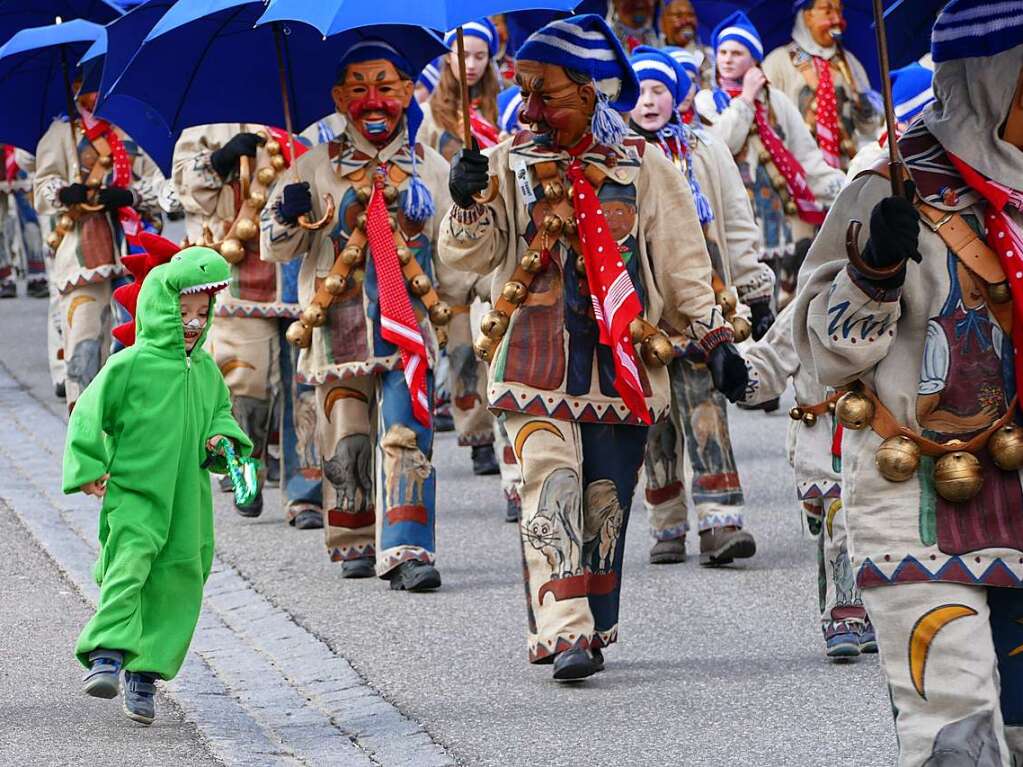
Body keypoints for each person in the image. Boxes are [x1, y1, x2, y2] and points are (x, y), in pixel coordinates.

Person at [440, 14, 749, 680]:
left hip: (622, 363)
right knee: (547, 483)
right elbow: (463, 261)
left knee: (604, 501)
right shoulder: (502, 161)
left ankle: (592, 619)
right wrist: (465, 202)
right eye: (522, 90)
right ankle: (563, 631)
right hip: (529, 358)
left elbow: (680, 259)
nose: (527, 107)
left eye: (543, 92)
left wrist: (712, 336)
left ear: (587, 91)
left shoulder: (643, 165)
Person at [792, 4, 1023, 760]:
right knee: (954, 728)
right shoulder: (887, 183)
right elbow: (822, 353)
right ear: (991, 79)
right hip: (918, 493)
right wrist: (872, 270)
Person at [260, 39, 455, 590]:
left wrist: (466, 202)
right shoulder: (311, 166)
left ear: (408, 93)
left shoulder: (429, 166)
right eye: (360, 89)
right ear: (340, 98)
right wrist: (289, 218)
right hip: (336, 324)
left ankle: (408, 547)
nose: (374, 102)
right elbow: (274, 248)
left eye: (387, 88)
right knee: (346, 434)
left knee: (406, 432)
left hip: (409, 322)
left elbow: (458, 252)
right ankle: (353, 537)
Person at [63, 245, 251, 725]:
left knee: (178, 580)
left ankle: (143, 675)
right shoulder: (131, 365)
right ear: (159, 308)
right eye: (182, 311)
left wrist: (222, 442)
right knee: (129, 564)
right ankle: (107, 651)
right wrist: (89, 466)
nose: (191, 321)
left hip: (188, 499)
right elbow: (89, 412)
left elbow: (221, 417)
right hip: (135, 490)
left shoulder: (207, 372)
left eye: (200, 312)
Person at [628, 46, 774, 566]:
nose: (648, 102)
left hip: (703, 304)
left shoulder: (705, 149)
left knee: (707, 410)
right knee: (655, 421)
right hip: (645, 313)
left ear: (679, 96)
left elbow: (735, 220)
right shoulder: (618, 155)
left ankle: (721, 521)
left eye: (659, 91)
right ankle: (666, 522)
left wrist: (754, 287)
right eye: (640, 91)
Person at [174, 125, 324, 527]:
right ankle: (246, 468)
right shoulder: (206, 122)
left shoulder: (307, 111)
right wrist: (219, 161)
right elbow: (182, 187)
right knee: (246, 383)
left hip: (303, 271)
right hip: (239, 274)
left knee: (306, 385)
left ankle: (307, 492)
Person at [740, 302, 876, 658]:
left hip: (880, 432)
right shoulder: (810, 301)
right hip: (824, 434)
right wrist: (737, 373)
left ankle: (867, 609)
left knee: (870, 521)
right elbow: (772, 355)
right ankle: (843, 612)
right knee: (837, 521)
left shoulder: (894, 293)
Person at [695, 10, 845, 306]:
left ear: (753, 60)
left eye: (737, 53)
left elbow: (805, 155)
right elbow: (721, 144)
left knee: (779, 298)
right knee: (739, 300)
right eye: (722, 52)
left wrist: (845, 187)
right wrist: (746, 101)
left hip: (776, 218)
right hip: (733, 215)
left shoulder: (776, 100)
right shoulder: (708, 100)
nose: (726, 59)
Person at [34, 83, 164, 410]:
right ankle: (84, 439)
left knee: (135, 350)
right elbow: (43, 186)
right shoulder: (61, 132)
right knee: (84, 347)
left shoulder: (131, 129)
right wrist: (65, 193)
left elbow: (161, 184)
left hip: (134, 254)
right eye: (85, 86)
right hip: (83, 259)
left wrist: (131, 196)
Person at [418, 20, 502, 478]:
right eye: (462, 55)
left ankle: (501, 420)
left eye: (479, 56)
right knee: (462, 349)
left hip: (492, 242)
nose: (470, 64)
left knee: (495, 339)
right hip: (449, 246)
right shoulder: (431, 118)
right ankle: (477, 436)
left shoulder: (501, 110)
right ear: (447, 57)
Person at [762, 0, 882, 172]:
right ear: (807, 16)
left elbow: (870, 128)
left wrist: (862, 102)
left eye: (839, 12)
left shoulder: (850, 63)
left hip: (848, 171)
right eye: (827, 12)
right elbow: (767, 124)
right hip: (801, 173)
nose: (836, 20)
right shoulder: (778, 63)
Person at [658, 0, 714, 89]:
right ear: (662, 23)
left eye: (690, 15)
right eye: (678, 16)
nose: (686, 21)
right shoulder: (653, 56)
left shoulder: (710, 56)